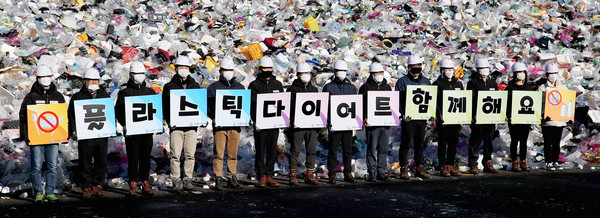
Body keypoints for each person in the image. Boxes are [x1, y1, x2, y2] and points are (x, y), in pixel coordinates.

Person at [20, 65, 65, 203]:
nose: (45, 79)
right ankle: (38, 192)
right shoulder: (31, 97)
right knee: (36, 166)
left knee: (52, 165)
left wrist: (64, 134)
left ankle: (50, 192)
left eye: (48, 76)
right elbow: (23, 117)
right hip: (36, 137)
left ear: (52, 78)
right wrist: (26, 135)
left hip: (52, 138)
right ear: (37, 78)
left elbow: (63, 116)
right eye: (42, 77)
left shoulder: (58, 96)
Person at [68, 68, 110, 199]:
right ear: (84, 81)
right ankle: (86, 186)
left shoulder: (104, 95)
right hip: (85, 135)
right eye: (90, 80)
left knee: (101, 160)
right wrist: (73, 130)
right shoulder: (77, 96)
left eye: (95, 80)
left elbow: (109, 113)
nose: (93, 82)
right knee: (85, 161)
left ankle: (98, 186)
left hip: (101, 134)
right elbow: (71, 115)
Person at [115, 61, 156, 196]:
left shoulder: (150, 91)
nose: (139, 76)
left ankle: (145, 182)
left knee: (145, 157)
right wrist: (125, 125)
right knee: (133, 158)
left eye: (141, 73)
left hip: (146, 131)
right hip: (132, 132)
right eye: (136, 73)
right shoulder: (125, 92)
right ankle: (132, 183)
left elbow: (154, 110)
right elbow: (119, 111)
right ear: (131, 75)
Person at [162, 56, 201, 191]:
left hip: (191, 127)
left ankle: (188, 179)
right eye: (181, 67)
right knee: (175, 155)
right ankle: (175, 180)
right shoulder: (169, 87)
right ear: (176, 68)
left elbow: (199, 105)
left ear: (189, 69)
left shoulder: (195, 86)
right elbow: (165, 107)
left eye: (185, 68)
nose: (183, 70)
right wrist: (169, 122)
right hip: (176, 127)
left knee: (190, 154)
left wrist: (199, 120)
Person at [207, 56, 245, 190]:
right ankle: (218, 177)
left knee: (232, 154)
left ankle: (232, 177)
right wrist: (212, 117)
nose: (227, 72)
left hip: (234, 127)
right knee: (218, 153)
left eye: (230, 70)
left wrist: (246, 117)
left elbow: (244, 106)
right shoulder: (213, 87)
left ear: (234, 71)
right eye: (225, 70)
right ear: (220, 71)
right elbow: (208, 106)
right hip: (220, 126)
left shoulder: (240, 88)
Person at [249, 56, 284, 188]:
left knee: (272, 150)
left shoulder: (277, 84)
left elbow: (282, 102)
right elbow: (252, 104)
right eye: (265, 68)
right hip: (261, 123)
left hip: (274, 123)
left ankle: (269, 173)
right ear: (260, 69)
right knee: (260, 149)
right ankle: (261, 175)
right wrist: (256, 119)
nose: (267, 70)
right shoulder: (254, 85)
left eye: (269, 68)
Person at [395, 54, 432, 180]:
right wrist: (402, 114)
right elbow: (398, 100)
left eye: (418, 67)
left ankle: (419, 168)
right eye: (413, 67)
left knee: (419, 144)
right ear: (409, 67)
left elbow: (430, 99)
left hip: (421, 118)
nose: (416, 69)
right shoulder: (402, 82)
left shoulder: (426, 82)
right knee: (405, 143)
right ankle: (404, 168)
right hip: (409, 118)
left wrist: (430, 114)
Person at [323, 60, 357, 184]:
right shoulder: (328, 87)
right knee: (333, 149)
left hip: (347, 124)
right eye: (339, 71)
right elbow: (325, 105)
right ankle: (331, 174)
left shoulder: (351, 88)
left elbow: (355, 105)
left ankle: (347, 172)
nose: (341, 73)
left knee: (347, 149)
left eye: (343, 71)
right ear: (334, 72)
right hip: (335, 124)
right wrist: (327, 121)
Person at [286, 62, 319, 186]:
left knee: (311, 149)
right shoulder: (292, 89)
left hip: (311, 125)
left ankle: (309, 173)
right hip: (298, 125)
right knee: (295, 150)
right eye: (303, 73)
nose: (306, 75)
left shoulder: (314, 89)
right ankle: (293, 174)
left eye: (308, 73)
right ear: (298, 75)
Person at [359, 62, 392, 182]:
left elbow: (391, 104)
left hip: (385, 123)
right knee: (372, 148)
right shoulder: (366, 87)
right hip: (372, 123)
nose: (379, 75)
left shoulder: (387, 87)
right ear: (372, 74)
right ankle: (372, 172)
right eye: (377, 73)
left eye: (381, 73)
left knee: (383, 148)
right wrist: (364, 117)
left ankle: (381, 171)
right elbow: (361, 105)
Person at [467, 57, 499, 174]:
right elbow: (471, 99)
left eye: (485, 68)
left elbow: (497, 98)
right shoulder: (472, 83)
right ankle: (473, 163)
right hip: (478, 117)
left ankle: (488, 161)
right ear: (477, 70)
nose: (483, 70)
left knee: (488, 140)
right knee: (475, 139)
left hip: (490, 117)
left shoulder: (492, 82)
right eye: (481, 68)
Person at [433, 58, 463, 177]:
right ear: (442, 70)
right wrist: (439, 115)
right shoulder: (437, 84)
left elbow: (462, 99)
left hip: (455, 118)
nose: (449, 71)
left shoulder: (458, 83)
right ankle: (443, 166)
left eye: (451, 69)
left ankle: (451, 165)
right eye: (447, 69)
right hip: (443, 119)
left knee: (453, 142)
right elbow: (434, 101)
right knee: (443, 143)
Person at [538, 62, 568, 171]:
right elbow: (539, 103)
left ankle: (555, 161)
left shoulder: (562, 87)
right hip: (547, 120)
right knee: (548, 142)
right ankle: (548, 161)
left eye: (555, 73)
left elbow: (567, 101)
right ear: (546, 75)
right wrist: (542, 115)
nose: (553, 75)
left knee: (556, 142)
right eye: (551, 73)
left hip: (559, 120)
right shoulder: (542, 88)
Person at [506, 62, 534, 172]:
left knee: (523, 140)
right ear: (514, 74)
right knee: (514, 140)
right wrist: (509, 116)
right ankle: (514, 160)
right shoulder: (510, 87)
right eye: (518, 72)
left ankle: (523, 159)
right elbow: (507, 103)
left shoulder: (529, 87)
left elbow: (533, 102)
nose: (520, 74)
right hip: (514, 119)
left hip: (525, 118)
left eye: (522, 72)